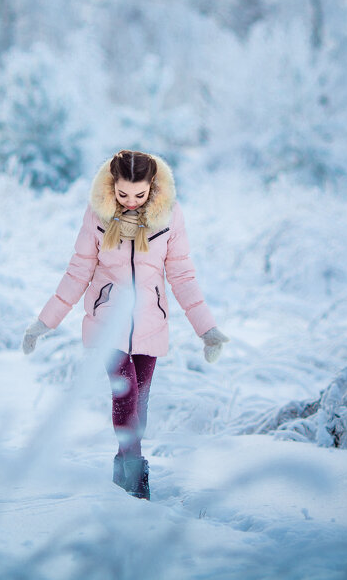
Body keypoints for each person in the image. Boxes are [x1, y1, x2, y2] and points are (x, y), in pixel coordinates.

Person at [21, 149, 230, 501]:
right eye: (122, 195)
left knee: (141, 406)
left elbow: (181, 275)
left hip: (151, 322)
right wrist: (44, 322)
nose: (130, 202)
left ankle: (125, 467)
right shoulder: (97, 216)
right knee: (126, 391)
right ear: (111, 187)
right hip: (107, 322)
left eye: (139, 194)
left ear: (152, 187)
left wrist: (206, 329)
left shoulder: (170, 216)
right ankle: (133, 473)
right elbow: (78, 272)